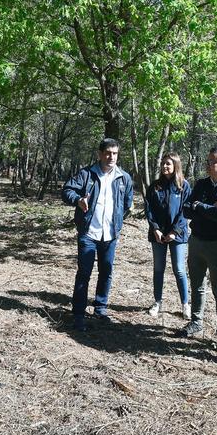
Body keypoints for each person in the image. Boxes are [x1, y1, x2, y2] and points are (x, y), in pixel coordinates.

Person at [61, 138, 134, 330]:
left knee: (106, 271)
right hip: (88, 232)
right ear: (100, 154)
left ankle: (100, 308)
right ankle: (78, 314)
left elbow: (127, 203)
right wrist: (78, 200)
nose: (111, 157)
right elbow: (66, 190)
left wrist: (117, 222)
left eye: (115, 153)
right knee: (84, 273)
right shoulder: (87, 174)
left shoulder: (124, 177)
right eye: (108, 153)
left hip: (110, 234)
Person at [176, 145, 217, 352]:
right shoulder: (202, 184)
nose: (206, 165)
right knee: (197, 285)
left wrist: (200, 206)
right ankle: (196, 322)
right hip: (196, 241)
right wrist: (209, 208)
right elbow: (186, 209)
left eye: (210, 162)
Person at [144, 152, 191, 319]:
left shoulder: (184, 186)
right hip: (157, 234)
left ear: (175, 166)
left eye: (168, 164)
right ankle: (157, 302)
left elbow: (185, 211)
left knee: (179, 269)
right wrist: (155, 228)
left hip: (177, 235)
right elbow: (148, 209)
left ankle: (185, 304)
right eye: (163, 163)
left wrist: (174, 232)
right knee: (158, 269)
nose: (165, 166)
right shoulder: (155, 186)